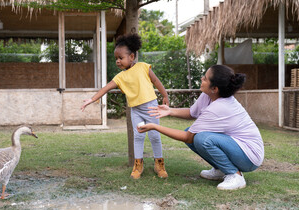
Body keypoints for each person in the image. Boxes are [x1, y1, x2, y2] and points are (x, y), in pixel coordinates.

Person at [137, 65, 264, 190]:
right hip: (237, 146)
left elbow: (187, 138)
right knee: (193, 134)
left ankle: (235, 176)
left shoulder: (219, 107)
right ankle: (221, 169)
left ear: (214, 88)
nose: (202, 79)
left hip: (250, 157)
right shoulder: (209, 95)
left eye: (205, 79)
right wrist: (170, 111)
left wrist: (155, 126)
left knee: (202, 139)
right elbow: (192, 112)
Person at [81, 33, 169, 179]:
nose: (117, 61)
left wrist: (165, 95)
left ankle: (159, 165)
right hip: (136, 110)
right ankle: (137, 166)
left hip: (151, 108)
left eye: (120, 58)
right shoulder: (120, 77)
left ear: (132, 57)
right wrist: (91, 99)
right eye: (116, 58)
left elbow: (156, 81)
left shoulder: (143, 67)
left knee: (154, 136)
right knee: (138, 137)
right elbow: (106, 88)